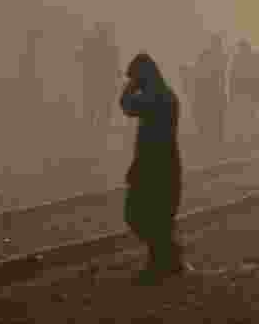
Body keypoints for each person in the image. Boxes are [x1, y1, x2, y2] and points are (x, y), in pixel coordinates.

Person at [119, 53, 184, 285]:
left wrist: (129, 87)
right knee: (158, 217)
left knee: (137, 214)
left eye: (136, 78)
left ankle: (164, 261)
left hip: (152, 165)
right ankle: (167, 261)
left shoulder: (154, 98)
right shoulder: (168, 96)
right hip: (166, 163)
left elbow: (126, 105)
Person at [76, 22, 121, 130]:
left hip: (96, 85)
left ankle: (89, 132)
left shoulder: (92, 43)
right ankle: (95, 132)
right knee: (99, 113)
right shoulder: (110, 46)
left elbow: (83, 60)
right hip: (102, 86)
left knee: (92, 112)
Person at [228, 40, 259, 147]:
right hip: (246, 93)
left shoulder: (240, 59)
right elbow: (233, 77)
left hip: (246, 92)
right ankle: (249, 139)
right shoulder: (247, 59)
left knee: (246, 116)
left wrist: (231, 94)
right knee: (247, 116)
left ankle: (248, 139)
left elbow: (233, 77)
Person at [193, 34, 227, 145]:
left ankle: (214, 140)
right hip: (210, 92)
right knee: (212, 117)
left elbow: (220, 76)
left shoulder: (219, 56)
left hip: (214, 92)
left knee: (214, 118)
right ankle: (213, 140)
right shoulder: (215, 56)